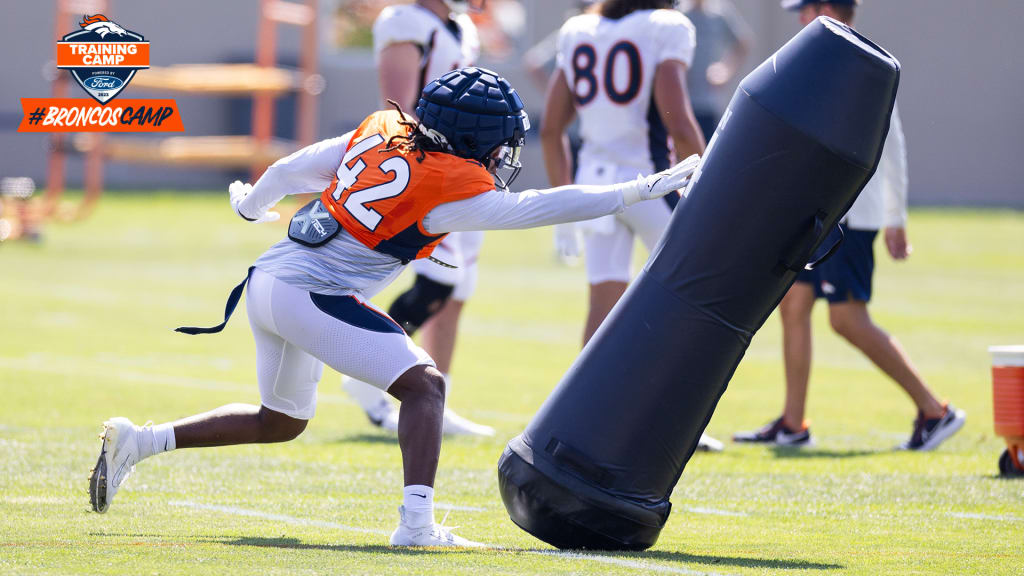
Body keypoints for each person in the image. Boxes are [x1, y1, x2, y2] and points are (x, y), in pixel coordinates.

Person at [88, 67, 700, 547]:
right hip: (309, 293)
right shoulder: (456, 188)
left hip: (269, 281)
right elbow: (543, 205)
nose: (502, 157)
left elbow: (294, 166)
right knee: (425, 387)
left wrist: (253, 204)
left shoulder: (382, 132)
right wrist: (636, 190)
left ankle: (138, 442)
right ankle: (415, 524)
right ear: (475, 142)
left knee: (280, 422)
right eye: (499, 145)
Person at [734, 0, 966, 451]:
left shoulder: (862, 60)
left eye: (805, 10)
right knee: (794, 306)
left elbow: (891, 140)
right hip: (821, 212)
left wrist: (896, 217)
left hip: (850, 216)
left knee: (847, 319)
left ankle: (935, 411)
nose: (800, 19)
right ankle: (794, 423)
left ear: (826, 9)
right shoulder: (826, 58)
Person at [541, 0, 722, 452]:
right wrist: (709, 186)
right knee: (691, 303)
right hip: (650, 182)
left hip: (594, 187)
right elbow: (679, 119)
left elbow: (550, 128)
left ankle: (580, 418)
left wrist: (563, 202)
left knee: (602, 305)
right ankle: (674, 423)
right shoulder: (664, 26)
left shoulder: (579, 28)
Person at [342, 0, 494, 436]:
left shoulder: (461, 26)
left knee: (459, 287)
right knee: (439, 281)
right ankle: (367, 377)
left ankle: (435, 398)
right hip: (426, 175)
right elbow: (397, 111)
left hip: (465, 173)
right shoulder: (405, 22)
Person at [680, 0, 752, 142]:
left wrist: (725, 70)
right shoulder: (680, 15)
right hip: (683, 102)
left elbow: (743, 44)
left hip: (707, 103)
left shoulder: (718, 14)